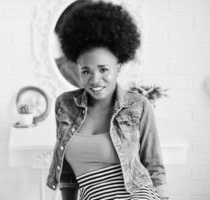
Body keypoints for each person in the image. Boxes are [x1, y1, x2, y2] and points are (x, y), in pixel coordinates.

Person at [46, 1, 169, 199]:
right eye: (86, 71)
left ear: (118, 68)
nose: (95, 80)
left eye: (103, 69)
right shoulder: (65, 105)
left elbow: (154, 167)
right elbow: (67, 174)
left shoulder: (138, 106)